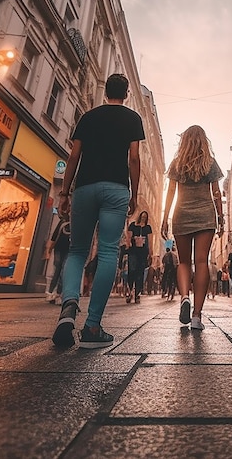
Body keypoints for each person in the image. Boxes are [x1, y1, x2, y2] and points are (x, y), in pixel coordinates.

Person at [52, 74, 144, 349]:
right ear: (126, 93)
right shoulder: (132, 119)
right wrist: (134, 194)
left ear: (105, 92)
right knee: (107, 252)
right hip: (116, 189)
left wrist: (65, 192)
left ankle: (68, 305)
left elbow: (73, 155)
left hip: (85, 188)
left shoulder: (88, 117)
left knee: (77, 251)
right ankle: (93, 325)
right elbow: (134, 158)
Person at [161, 125, 224, 331]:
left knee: (184, 262)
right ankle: (197, 316)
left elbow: (170, 192)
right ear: (204, 142)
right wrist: (221, 217)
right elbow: (216, 193)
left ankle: (184, 297)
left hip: (182, 214)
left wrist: (165, 218)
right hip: (205, 216)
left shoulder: (177, 164)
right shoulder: (210, 163)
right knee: (201, 262)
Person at [126, 210, 152, 303]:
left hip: (143, 252)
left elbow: (150, 240)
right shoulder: (133, 225)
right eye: (142, 216)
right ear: (140, 216)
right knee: (132, 270)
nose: (143, 218)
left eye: (145, 217)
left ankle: (137, 293)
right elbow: (128, 237)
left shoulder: (148, 227)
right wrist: (131, 242)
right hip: (133, 251)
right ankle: (129, 291)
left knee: (140, 273)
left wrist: (150, 252)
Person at [45, 215, 71, 304]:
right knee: (57, 269)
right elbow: (55, 235)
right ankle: (51, 292)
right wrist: (48, 250)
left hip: (69, 250)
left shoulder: (79, 222)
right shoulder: (63, 221)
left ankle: (59, 293)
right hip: (59, 249)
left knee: (63, 271)